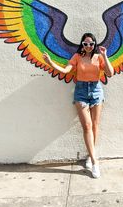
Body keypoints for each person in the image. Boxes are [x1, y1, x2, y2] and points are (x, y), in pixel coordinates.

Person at [42, 33, 114, 178]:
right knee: (87, 126)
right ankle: (95, 162)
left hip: (96, 90)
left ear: (94, 44)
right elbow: (65, 71)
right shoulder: (77, 57)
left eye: (91, 44)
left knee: (94, 125)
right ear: (82, 44)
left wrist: (105, 56)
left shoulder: (98, 57)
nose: (88, 46)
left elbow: (110, 73)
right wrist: (50, 62)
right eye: (86, 44)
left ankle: (90, 155)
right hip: (81, 91)